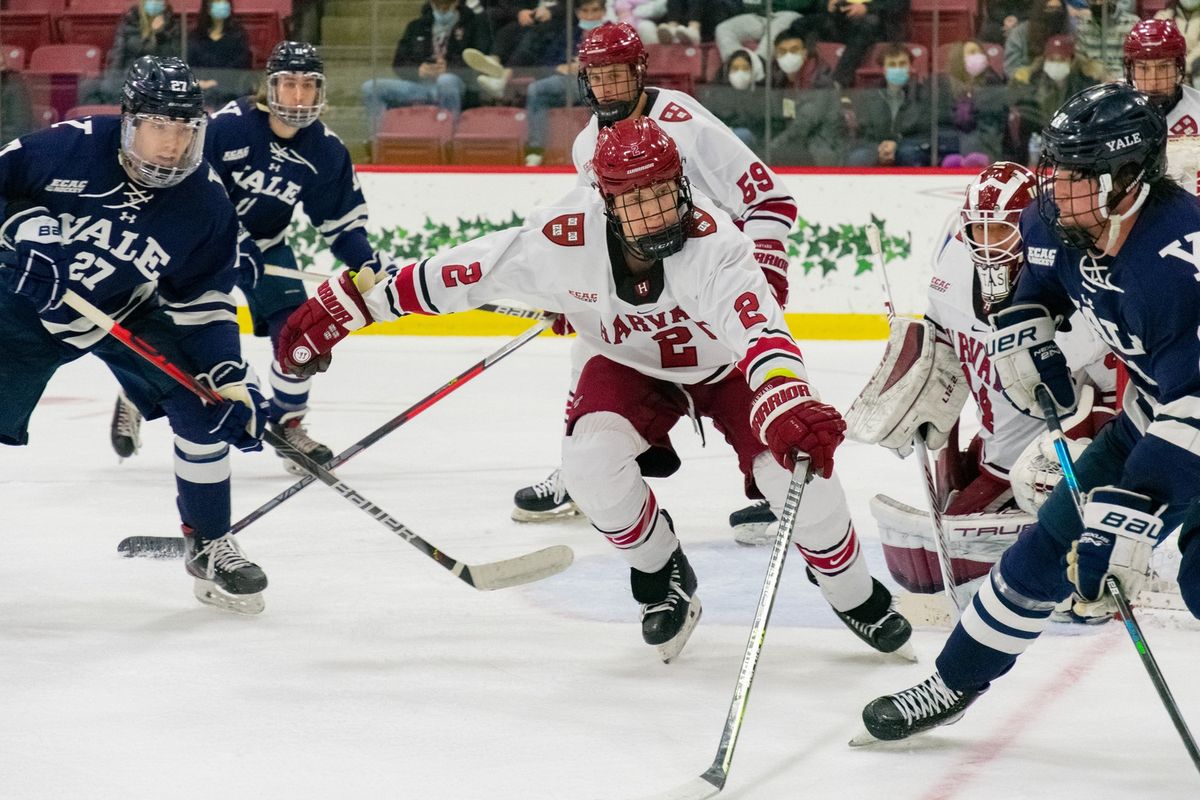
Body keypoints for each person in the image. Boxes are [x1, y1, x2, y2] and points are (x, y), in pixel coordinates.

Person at [274, 116, 915, 663]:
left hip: (726, 374)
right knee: (589, 467)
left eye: (666, 193)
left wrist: (786, 399)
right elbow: (457, 274)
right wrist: (350, 309)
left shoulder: (717, 247)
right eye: (636, 201)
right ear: (606, 201)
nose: (656, 212)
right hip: (627, 365)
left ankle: (851, 591)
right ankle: (659, 565)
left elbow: (760, 332)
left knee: (799, 479)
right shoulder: (561, 240)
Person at [855, 82, 1200, 743]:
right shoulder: (1055, 223)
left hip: (1190, 414)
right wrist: (1025, 324)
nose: (1055, 186)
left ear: (1127, 178)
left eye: (1075, 174)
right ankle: (952, 681)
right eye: (1057, 167)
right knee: (1048, 545)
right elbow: (1038, 281)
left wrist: (1131, 510)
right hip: (1153, 411)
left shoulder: (1176, 262)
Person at [512, 23, 801, 545]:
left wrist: (764, 270)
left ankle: (774, 492)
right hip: (643, 284)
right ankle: (588, 475)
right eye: (597, 76)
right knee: (594, 355)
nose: (608, 87)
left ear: (639, 71)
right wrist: (568, 287)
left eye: (618, 74)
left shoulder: (684, 122)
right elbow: (600, 230)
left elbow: (769, 198)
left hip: (708, 281)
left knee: (753, 373)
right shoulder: (586, 146)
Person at [0, 56, 268, 614]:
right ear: (129, 122)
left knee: (204, 403)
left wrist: (226, 374)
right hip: (19, 313)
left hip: (123, 309)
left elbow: (206, 300)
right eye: (159, 128)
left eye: (185, 129)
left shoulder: (205, 200)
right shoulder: (67, 148)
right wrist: (20, 230)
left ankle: (209, 541)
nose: (172, 145)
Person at [846, 162, 1117, 609]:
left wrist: (1093, 463)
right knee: (933, 555)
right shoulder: (952, 272)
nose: (988, 247)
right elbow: (942, 350)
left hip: (1049, 460)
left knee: (948, 553)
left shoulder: (1074, 286)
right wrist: (923, 396)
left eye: (1003, 232)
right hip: (995, 450)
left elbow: (1114, 390)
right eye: (979, 231)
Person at [110, 42, 388, 476]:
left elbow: (341, 222)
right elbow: (192, 191)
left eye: (308, 86)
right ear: (269, 85)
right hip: (199, 246)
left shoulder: (325, 150)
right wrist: (235, 241)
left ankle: (288, 423)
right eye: (289, 84)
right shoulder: (228, 128)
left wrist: (366, 262)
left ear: (321, 92)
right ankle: (135, 395)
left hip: (268, 247)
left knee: (300, 337)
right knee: (174, 340)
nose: (298, 97)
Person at [359, 0, 491, 135]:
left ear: (455, 4)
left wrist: (450, 68)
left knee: (446, 80)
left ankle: (447, 139)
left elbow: (480, 63)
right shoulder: (416, 26)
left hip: (456, 85)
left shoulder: (474, 25)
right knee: (371, 88)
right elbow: (398, 63)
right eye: (438, 6)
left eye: (446, 6)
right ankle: (379, 140)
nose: (442, 10)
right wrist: (418, 70)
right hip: (420, 86)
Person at [1124, 17, 1200, 196]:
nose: (1153, 81)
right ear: (1131, 70)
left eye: (1164, 67)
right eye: (1143, 68)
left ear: (1179, 68)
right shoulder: (1111, 111)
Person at [1008, 34, 1103, 165]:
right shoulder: (1032, 85)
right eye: (1052, 59)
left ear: (1072, 60)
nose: (1056, 64)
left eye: (1061, 60)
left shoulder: (1086, 87)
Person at [80, 0, 184, 104]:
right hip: (129, 74)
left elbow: (173, 57)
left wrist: (159, 34)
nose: (155, 3)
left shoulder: (172, 25)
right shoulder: (129, 22)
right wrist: (112, 79)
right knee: (88, 87)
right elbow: (118, 54)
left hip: (159, 77)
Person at [187, 0, 254, 109]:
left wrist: (216, 81)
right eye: (217, 1)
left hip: (230, 91)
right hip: (201, 90)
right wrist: (200, 82)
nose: (221, 4)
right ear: (208, 7)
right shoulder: (196, 35)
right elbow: (190, 63)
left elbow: (242, 65)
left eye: (224, 1)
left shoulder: (238, 34)